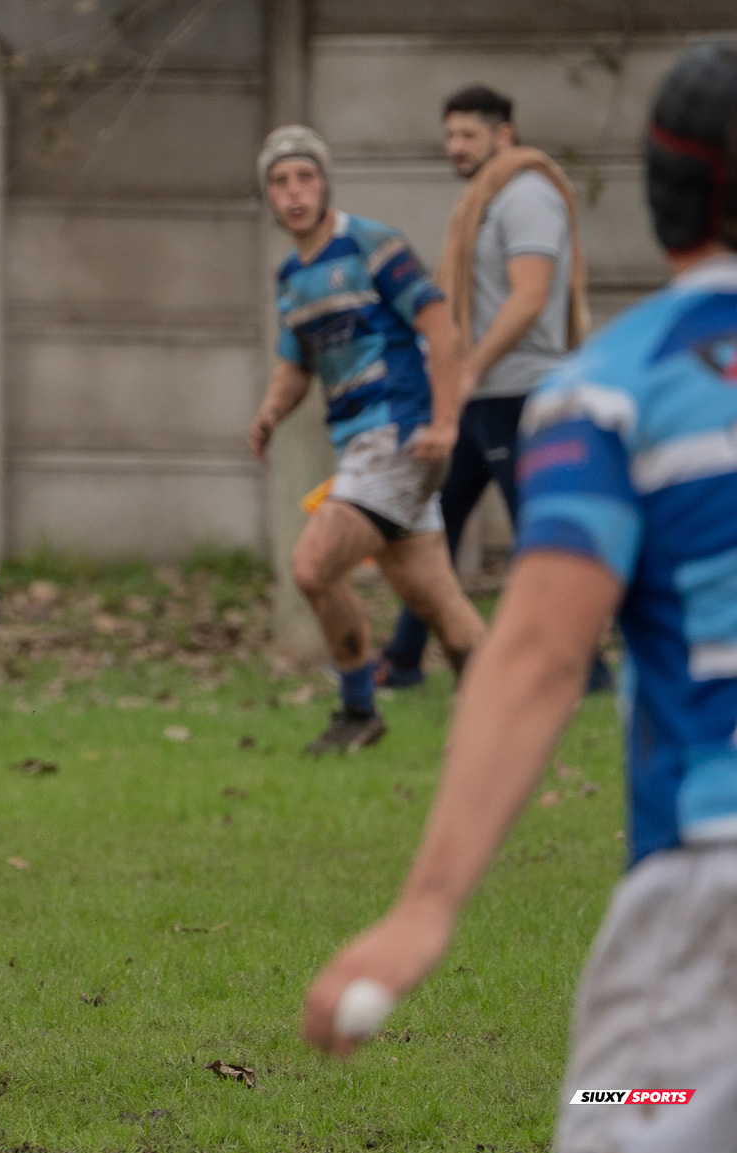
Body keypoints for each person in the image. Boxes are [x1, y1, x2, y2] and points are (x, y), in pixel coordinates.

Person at [302, 42, 737, 1153]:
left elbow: (542, 652)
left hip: (710, 889)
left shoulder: (612, 393)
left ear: (662, 189)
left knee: (611, 1123)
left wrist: (426, 907)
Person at [247, 125, 487, 755]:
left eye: (305, 177)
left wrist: (443, 421)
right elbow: (297, 362)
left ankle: (358, 711)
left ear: (324, 183)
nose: (294, 192)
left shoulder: (373, 245)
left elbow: (441, 327)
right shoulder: (292, 277)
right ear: (268, 195)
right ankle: (499, 725)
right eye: (280, 181)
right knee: (437, 600)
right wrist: (271, 412)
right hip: (364, 445)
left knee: (311, 566)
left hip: (399, 436)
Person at [376, 85, 607, 692]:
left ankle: (590, 668)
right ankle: (401, 661)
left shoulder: (527, 196)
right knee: (435, 527)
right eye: (450, 135)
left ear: (503, 135)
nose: (455, 147)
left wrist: (470, 364)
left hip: (518, 394)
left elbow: (530, 297)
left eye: (468, 135)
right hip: (481, 396)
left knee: (542, 534)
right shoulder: (486, 198)